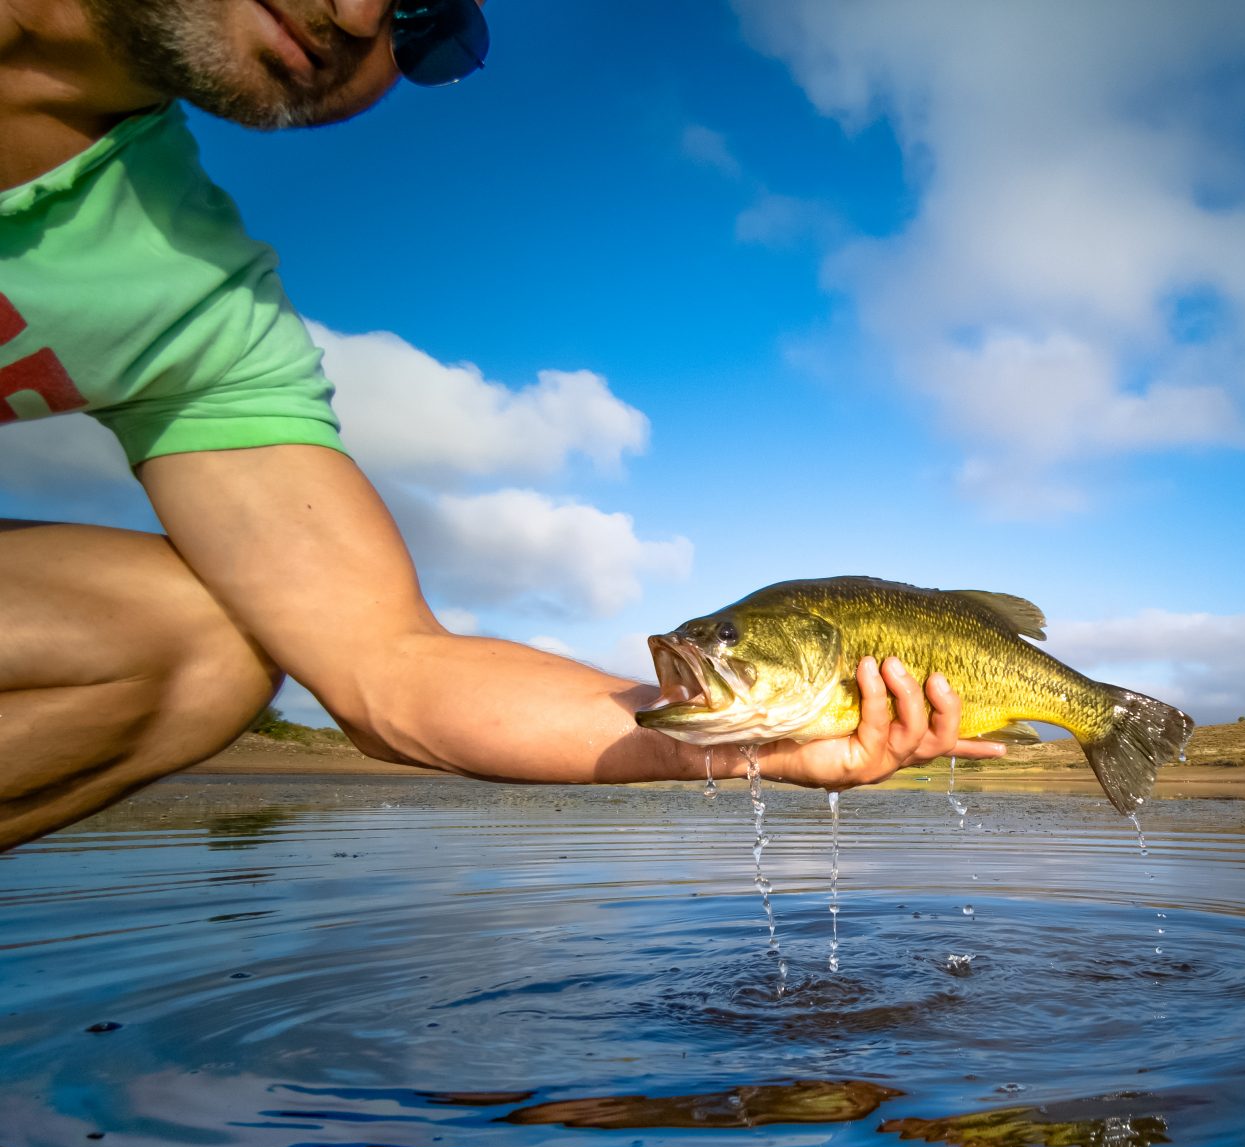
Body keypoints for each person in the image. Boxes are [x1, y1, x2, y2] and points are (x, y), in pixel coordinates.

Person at [0, 0, 1002, 852]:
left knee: (208, 648)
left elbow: (390, 666)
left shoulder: (198, 304)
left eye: (424, 20)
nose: (359, 14)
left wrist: (750, 744)